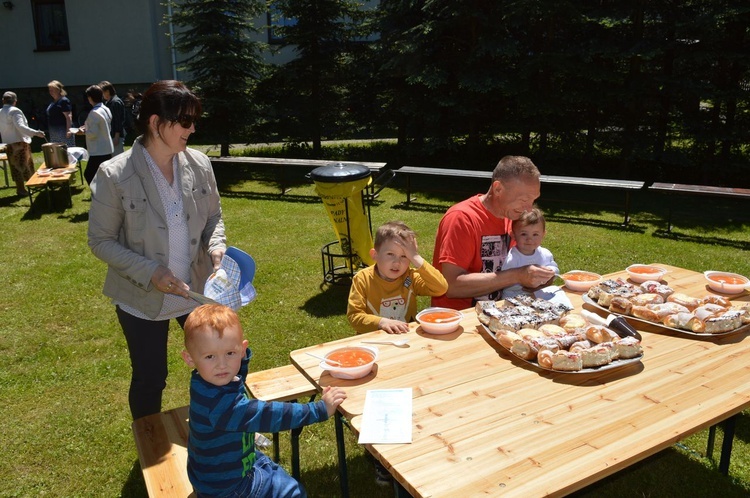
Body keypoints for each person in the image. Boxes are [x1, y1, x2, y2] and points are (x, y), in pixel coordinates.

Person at [87, 80, 227, 420]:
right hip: (141, 297)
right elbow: (100, 241)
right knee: (151, 378)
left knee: (223, 365)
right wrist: (151, 272)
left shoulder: (199, 164)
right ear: (155, 123)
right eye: (185, 121)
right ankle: (150, 451)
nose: (192, 128)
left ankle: (229, 430)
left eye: (194, 120)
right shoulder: (114, 174)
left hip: (194, 291)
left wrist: (217, 246)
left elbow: (214, 218)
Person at [182, 304, 347, 498]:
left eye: (230, 353)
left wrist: (241, 361)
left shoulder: (205, 381)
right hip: (227, 488)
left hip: (214, 473)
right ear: (190, 358)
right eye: (210, 356)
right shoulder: (220, 406)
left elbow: (235, 379)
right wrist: (319, 409)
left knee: (267, 466)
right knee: (293, 492)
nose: (222, 364)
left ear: (242, 349)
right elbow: (268, 415)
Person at [431, 155, 556, 310]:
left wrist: (541, 277)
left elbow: (522, 263)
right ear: (498, 188)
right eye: (524, 200)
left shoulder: (513, 217)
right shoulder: (462, 218)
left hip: (499, 312)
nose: (529, 209)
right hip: (458, 319)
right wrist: (517, 275)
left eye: (533, 200)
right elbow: (450, 286)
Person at [347, 221, 448, 334]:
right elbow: (354, 316)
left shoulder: (410, 277)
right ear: (375, 255)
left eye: (404, 256)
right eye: (390, 254)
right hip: (374, 340)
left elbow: (441, 288)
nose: (397, 263)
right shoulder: (363, 279)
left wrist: (416, 257)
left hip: (405, 337)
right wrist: (382, 322)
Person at [500, 207, 559, 299]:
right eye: (524, 234)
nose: (529, 239)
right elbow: (504, 282)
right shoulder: (511, 258)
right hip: (513, 297)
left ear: (543, 235)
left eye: (535, 234)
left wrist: (550, 272)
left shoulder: (545, 254)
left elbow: (555, 269)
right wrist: (527, 283)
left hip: (539, 295)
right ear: (514, 235)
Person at [0, 91, 46, 196]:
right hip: (19, 143)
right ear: (15, 101)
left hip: (8, 143)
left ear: (3, 100)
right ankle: (29, 187)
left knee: (15, 167)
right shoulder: (15, 111)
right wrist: (36, 133)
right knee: (25, 166)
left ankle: (21, 188)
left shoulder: (1, 111)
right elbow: (20, 126)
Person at [77, 85, 113, 185]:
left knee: (89, 174)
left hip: (98, 150)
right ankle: (105, 194)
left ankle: (99, 195)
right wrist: (87, 127)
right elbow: (101, 126)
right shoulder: (105, 108)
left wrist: (82, 132)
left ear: (90, 98)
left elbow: (93, 134)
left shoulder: (94, 112)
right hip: (106, 147)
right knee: (104, 175)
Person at [100, 81, 126, 156]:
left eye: (102, 92)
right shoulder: (108, 102)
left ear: (107, 91)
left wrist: (116, 136)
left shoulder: (115, 102)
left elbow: (118, 121)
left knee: (117, 157)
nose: (102, 95)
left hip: (115, 135)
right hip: (111, 134)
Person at [46, 80, 75, 146]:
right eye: (50, 90)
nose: (51, 92)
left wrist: (68, 130)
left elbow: (68, 116)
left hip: (63, 132)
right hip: (54, 132)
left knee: (66, 151)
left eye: (53, 90)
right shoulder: (53, 102)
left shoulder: (63, 101)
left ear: (58, 90)